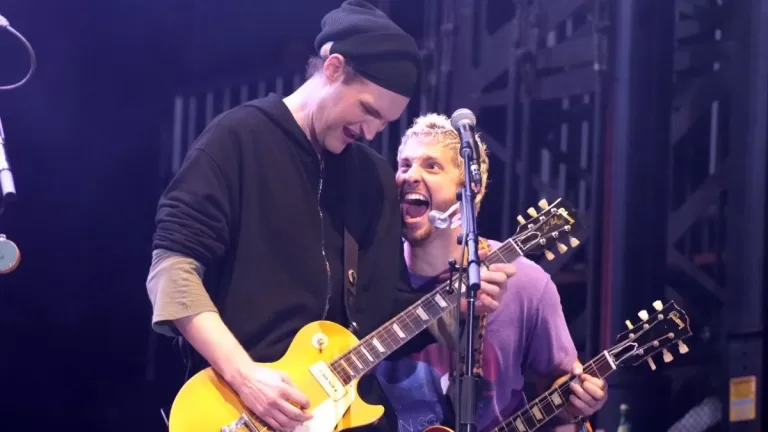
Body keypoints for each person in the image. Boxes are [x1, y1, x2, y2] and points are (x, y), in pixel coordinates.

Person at [144, 2, 516, 431]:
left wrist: (453, 308)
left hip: (348, 416)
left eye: (385, 123)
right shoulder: (238, 139)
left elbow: (381, 312)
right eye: (369, 111)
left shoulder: (372, 179)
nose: (371, 132)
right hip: (242, 409)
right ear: (333, 68)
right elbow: (172, 272)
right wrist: (245, 377)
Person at [374, 113, 608, 432]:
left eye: (431, 166)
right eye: (404, 165)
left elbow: (560, 390)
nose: (410, 175)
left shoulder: (526, 283)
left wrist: (578, 405)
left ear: (472, 189)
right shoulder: (368, 272)